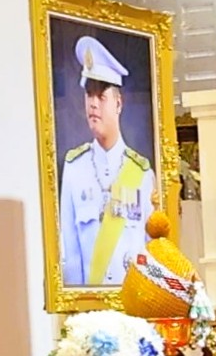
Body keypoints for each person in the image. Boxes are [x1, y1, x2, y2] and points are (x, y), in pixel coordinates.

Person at [59, 34, 156, 287]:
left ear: (118, 104)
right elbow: (70, 251)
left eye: (101, 97)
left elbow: (150, 249)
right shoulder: (74, 168)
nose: (93, 104)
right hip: (91, 309)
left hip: (133, 306)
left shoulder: (141, 173)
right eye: (89, 95)